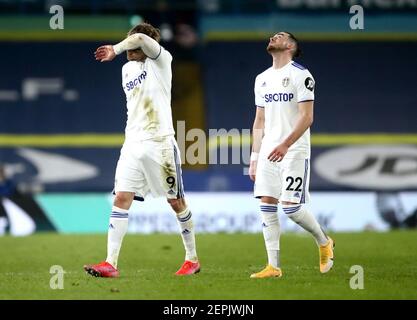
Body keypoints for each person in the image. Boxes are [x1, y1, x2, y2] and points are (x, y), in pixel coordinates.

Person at [84, 22, 200, 278]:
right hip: (132, 144)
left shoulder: (161, 61)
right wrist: (123, 49)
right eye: (127, 44)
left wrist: (115, 48)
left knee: (176, 201)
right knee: (121, 199)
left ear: (147, 46)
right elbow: (136, 40)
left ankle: (192, 259)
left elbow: (140, 38)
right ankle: (110, 263)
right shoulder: (127, 70)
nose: (129, 48)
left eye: (133, 45)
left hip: (160, 143)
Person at [248, 32, 334, 278]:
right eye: (274, 35)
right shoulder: (261, 79)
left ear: (291, 47)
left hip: (293, 149)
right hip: (267, 150)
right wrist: (254, 157)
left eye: (281, 36)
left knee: (291, 208)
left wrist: (285, 144)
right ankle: (273, 266)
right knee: (266, 203)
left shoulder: (302, 76)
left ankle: (323, 240)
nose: (274, 37)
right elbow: (259, 120)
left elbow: (307, 117)